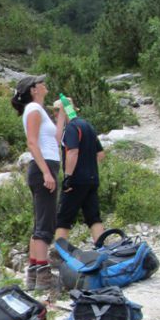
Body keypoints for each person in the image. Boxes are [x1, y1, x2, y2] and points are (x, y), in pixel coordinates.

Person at [11, 73, 60, 291]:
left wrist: (63, 116)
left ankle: (33, 275)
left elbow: (54, 140)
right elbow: (32, 143)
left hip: (46, 165)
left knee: (41, 220)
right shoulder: (33, 110)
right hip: (43, 167)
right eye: (41, 83)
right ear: (34, 89)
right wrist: (47, 172)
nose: (44, 84)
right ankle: (43, 277)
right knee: (45, 223)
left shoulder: (39, 111)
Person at [54, 102, 106, 244]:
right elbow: (100, 154)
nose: (55, 116)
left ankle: (60, 254)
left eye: (56, 112)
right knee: (94, 217)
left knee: (63, 219)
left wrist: (68, 177)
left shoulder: (71, 128)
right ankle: (103, 249)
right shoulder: (87, 126)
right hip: (92, 179)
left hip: (75, 181)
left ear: (62, 112)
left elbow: (72, 151)